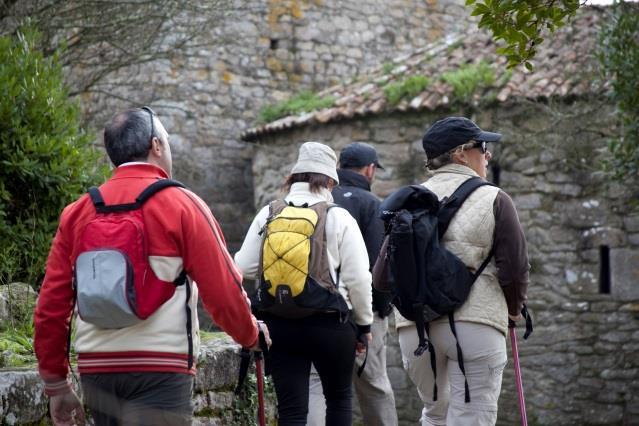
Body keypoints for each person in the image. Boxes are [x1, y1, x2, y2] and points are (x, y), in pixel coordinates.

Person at [34, 107, 269, 426]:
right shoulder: (183, 205)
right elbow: (223, 290)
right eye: (167, 142)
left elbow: (51, 305)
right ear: (156, 146)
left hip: (97, 373)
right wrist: (250, 335)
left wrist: (57, 384)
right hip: (161, 371)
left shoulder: (78, 212)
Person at [396, 117, 529, 425]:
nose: (488, 155)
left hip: (414, 329)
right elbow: (515, 269)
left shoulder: (407, 201)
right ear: (460, 153)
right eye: (484, 147)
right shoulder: (495, 198)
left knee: (435, 413)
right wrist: (514, 309)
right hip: (475, 324)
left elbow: (381, 276)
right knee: (473, 415)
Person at [235, 141, 373, 426]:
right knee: (338, 398)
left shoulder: (269, 213)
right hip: (331, 326)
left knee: (292, 410)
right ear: (330, 179)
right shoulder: (338, 216)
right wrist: (364, 325)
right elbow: (358, 278)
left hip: (280, 323)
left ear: (294, 176)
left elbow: (243, 267)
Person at [307, 142, 398, 426]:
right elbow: (378, 263)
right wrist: (381, 311)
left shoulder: (320, 200)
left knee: (320, 387)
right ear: (370, 170)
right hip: (359, 311)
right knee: (374, 385)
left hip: (313, 308)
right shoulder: (371, 204)